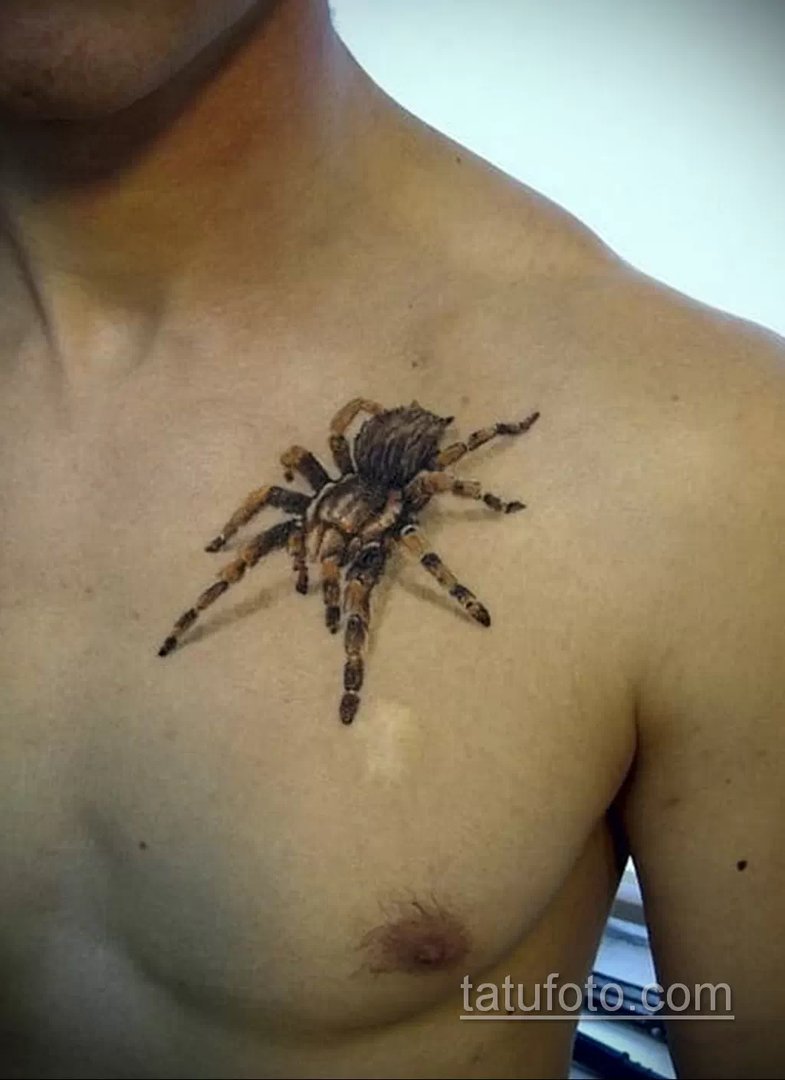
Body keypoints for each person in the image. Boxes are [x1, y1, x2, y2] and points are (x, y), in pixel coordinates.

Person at [1, 2, 783, 1077]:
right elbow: (291, 496)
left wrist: (462, 565)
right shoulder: (313, 486)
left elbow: (422, 521)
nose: (319, 555)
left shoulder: (723, 457)